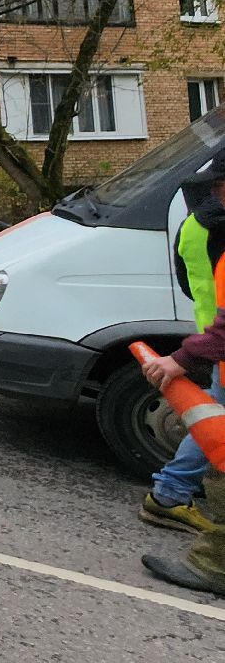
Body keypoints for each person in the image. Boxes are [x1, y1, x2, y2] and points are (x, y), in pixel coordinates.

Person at [140, 158, 225, 595]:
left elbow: (190, 284)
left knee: (209, 421)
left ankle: (169, 494)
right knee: (213, 430)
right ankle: (171, 496)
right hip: (216, 343)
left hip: (210, 336)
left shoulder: (193, 226)